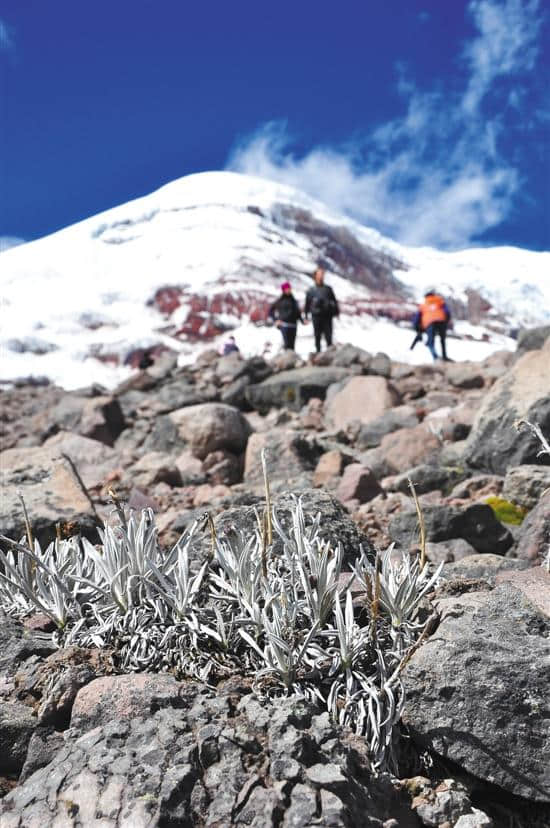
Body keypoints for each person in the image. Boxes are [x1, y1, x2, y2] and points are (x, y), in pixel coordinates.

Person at [304, 267, 339, 353]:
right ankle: (318, 353)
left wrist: (336, 312)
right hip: (316, 316)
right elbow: (307, 304)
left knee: (328, 336)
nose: (321, 276)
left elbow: (334, 301)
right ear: (315, 276)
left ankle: (330, 354)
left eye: (322, 274)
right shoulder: (311, 290)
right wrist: (306, 316)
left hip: (327, 315)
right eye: (319, 274)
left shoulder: (328, 289)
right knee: (317, 336)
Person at [413, 290, 451, 360]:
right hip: (441, 321)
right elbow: (447, 312)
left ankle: (435, 357)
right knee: (442, 340)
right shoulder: (440, 301)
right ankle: (444, 357)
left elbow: (417, 318)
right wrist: (446, 321)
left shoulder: (423, 305)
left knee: (431, 342)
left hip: (429, 323)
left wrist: (417, 328)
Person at [268, 282, 303, 350]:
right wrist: (276, 320)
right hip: (284, 325)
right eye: (287, 289)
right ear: (283, 290)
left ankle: (291, 359)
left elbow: (297, 313)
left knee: (292, 345)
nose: (288, 290)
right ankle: (286, 358)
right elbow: (270, 311)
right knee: (286, 345)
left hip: (294, 325)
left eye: (289, 288)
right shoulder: (280, 301)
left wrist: (302, 320)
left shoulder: (294, 300)